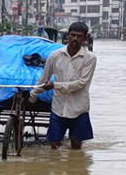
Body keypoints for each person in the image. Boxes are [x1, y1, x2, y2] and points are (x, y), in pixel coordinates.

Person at [27, 22, 97, 150]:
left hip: (79, 108)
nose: (75, 39)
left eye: (79, 36)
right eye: (73, 35)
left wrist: (55, 85)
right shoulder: (55, 55)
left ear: (85, 38)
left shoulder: (90, 58)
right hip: (58, 107)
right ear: (67, 36)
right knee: (54, 144)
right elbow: (43, 79)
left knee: (76, 146)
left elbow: (81, 83)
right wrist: (32, 97)